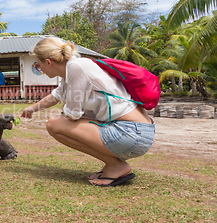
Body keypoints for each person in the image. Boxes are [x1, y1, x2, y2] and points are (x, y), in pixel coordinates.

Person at [21, 37, 155, 187]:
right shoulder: (72, 68)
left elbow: (72, 114)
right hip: (137, 131)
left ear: (48, 62)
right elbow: (56, 96)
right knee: (58, 122)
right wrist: (31, 109)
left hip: (131, 133)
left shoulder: (76, 68)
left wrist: (65, 111)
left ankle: (116, 165)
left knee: (54, 124)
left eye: (38, 66)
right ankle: (114, 165)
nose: (40, 70)